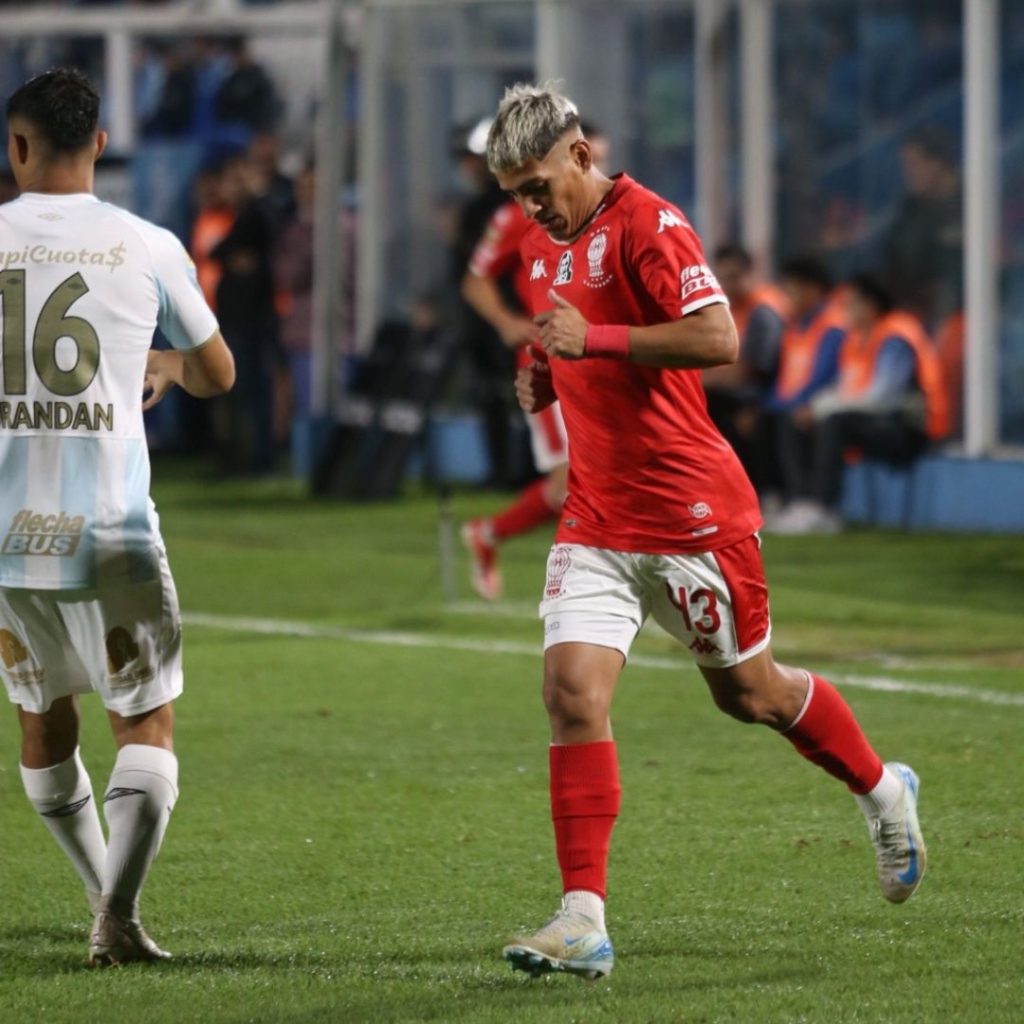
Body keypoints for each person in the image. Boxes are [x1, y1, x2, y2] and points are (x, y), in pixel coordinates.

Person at [485, 83, 927, 982]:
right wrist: (542, 378)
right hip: (599, 519)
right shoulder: (544, 244)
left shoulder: (651, 224)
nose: (530, 207)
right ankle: (583, 919)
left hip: (692, 517)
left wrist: (593, 345)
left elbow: (717, 337)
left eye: (537, 185)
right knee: (572, 694)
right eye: (514, 195)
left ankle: (882, 788)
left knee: (751, 695)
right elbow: (560, 344)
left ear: (577, 154)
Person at [0, 69, 235, 964]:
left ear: (16, 147)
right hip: (109, 530)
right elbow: (218, 374)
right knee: (144, 722)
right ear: (99, 145)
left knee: (42, 722)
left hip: (6, 535)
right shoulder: (146, 244)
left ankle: (105, 901)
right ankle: (119, 913)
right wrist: (168, 369)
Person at [459, 125, 610, 599]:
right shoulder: (518, 218)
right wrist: (506, 322)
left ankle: (491, 534)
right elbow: (476, 279)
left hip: (601, 356)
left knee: (592, 479)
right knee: (571, 484)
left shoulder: (613, 215)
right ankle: (590, 585)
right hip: (550, 360)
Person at [776, 274, 950, 535]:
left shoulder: (895, 337)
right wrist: (815, 408)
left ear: (870, 305)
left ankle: (824, 509)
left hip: (907, 428)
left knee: (835, 422)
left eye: (850, 304)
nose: (844, 311)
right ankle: (800, 502)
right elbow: (844, 388)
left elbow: (883, 397)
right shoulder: (856, 339)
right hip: (870, 421)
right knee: (796, 420)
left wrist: (827, 408)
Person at [450, 117, 519, 489]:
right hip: (488, 317)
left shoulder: (506, 206)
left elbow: (483, 270)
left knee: (516, 395)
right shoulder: (481, 206)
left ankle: (520, 471)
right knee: (492, 395)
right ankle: (505, 470)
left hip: (508, 315)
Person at [703, 244, 788, 500]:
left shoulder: (763, 312)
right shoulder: (724, 310)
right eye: (722, 276)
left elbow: (749, 373)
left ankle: (764, 494)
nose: (728, 283)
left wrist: (693, 377)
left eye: (734, 276)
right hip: (733, 395)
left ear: (749, 273)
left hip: (762, 397)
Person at [766, 257, 847, 514]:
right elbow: (786, 378)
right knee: (757, 419)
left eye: (792, 290)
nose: (787, 297)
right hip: (795, 403)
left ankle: (807, 503)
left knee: (787, 421)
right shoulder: (794, 327)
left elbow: (825, 376)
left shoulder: (832, 325)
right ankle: (775, 498)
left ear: (813, 289)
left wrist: (791, 404)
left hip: (823, 401)